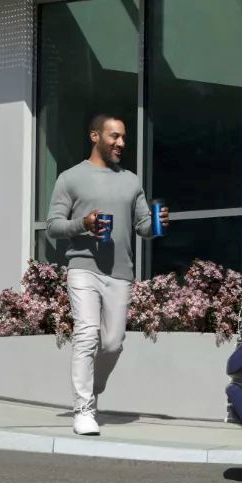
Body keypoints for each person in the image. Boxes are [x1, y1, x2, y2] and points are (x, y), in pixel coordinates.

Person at [44, 114, 168, 436]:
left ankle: (93, 386)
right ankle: (83, 408)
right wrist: (82, 225)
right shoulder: (70, 178)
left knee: (112, 343)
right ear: (95, 136)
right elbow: (53, 226)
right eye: (115, 136)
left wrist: (157, 225)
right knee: (86, 334)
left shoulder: (131, 180)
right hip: (83, 267)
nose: (121, 143)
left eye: (124, 137)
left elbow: (142, 225)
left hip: (120, 272)